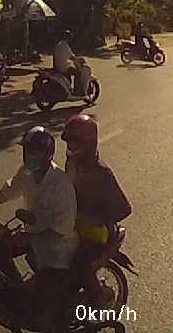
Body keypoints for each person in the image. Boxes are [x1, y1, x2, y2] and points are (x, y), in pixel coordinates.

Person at [0, 127, 78, 333]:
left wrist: (31, 238)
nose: (28, 156)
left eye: (33, 152)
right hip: (31, 234)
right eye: (26, 151)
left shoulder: (60, 184)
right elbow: (6, 193)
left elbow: (63, 229)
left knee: (47, 311)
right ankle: (18, 296)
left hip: (58, 243)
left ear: (47, 155)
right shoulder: (26, 172)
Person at [61, 114, 132, 306]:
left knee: (76, 258)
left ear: (88, 144)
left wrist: (91, 218)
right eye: (69, 144)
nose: (70, 148)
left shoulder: (101, 173)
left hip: (98, 232)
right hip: (73, 224)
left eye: (75, 144)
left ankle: (98, 296)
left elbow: (124, 209)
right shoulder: (72, 164)